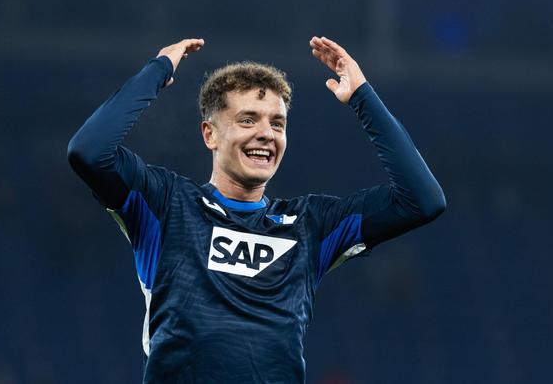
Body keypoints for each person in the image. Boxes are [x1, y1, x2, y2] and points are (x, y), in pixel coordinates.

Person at [67, 36, 446, 383]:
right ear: (210, 134)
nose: (266, 133)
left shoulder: (311, 226)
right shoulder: (166, 204)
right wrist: (158, 70)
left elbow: (422, 200)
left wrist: (362, 97)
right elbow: (90, 151)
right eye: (248, 119)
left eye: (277, 124)